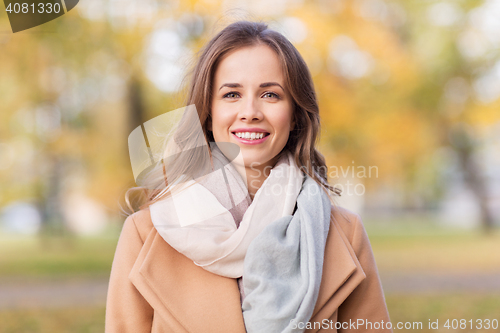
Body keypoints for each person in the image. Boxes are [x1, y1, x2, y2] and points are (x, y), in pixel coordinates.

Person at [105, 20, 392, 333]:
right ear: (208, 110)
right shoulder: (146, 233)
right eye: (231, 95)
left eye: (270, 95)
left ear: (295, 112)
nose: (251, 111)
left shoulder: (343, 234)